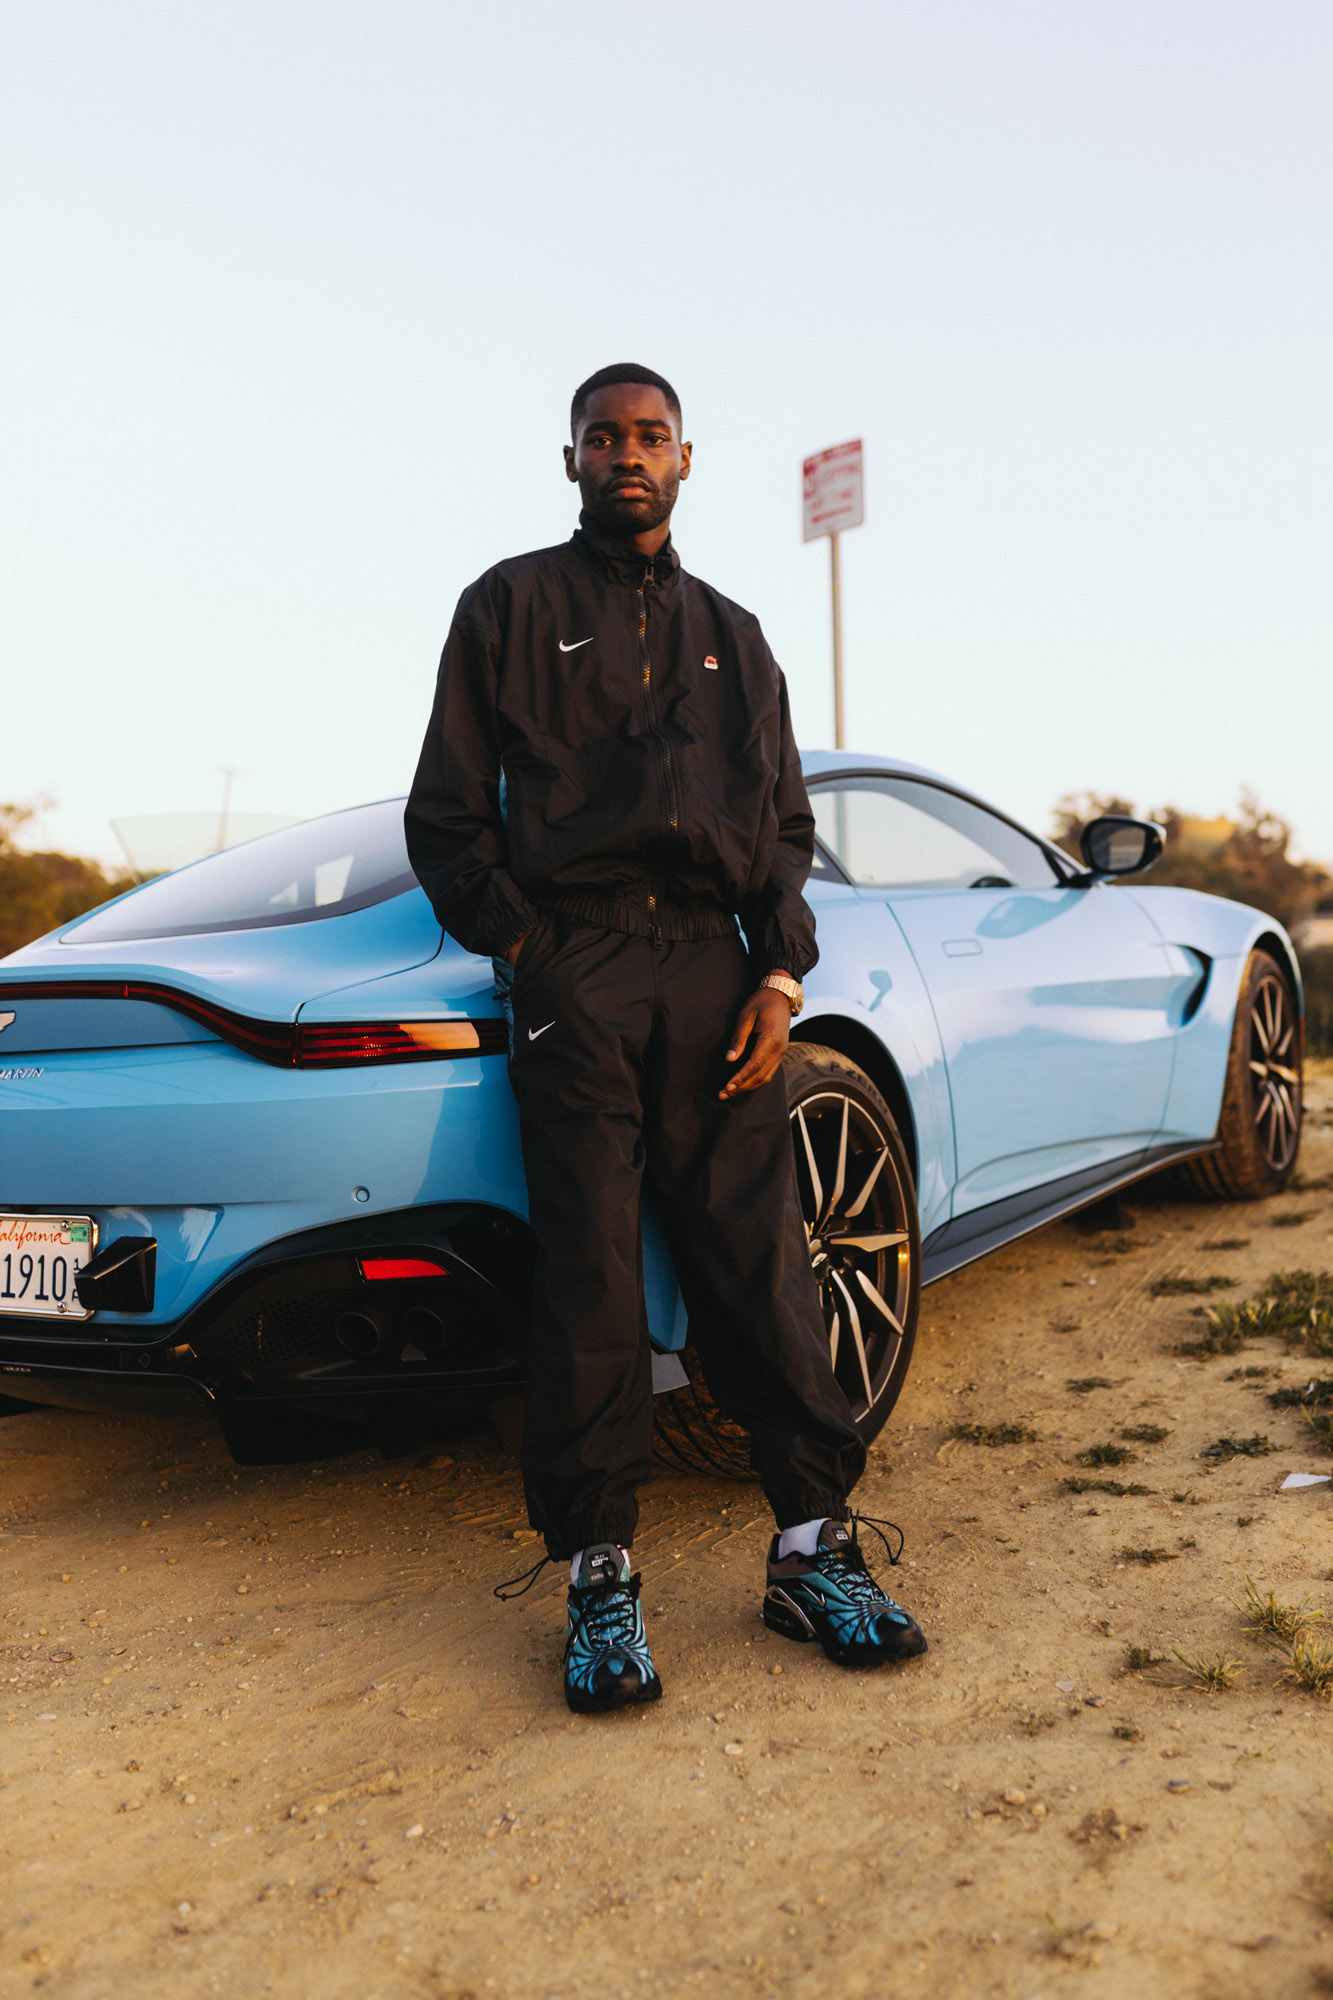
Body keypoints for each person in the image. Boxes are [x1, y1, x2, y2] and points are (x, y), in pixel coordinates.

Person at [405, 363, 926, 1713]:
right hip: (574, 966)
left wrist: (777, 978)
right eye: (603, 438)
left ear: (685, 460)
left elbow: (784, 831)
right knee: (587, 1270)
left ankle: (811, 1548)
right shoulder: (508, 606)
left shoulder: (735, 637)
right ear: (571, 459)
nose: (626, 455)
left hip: (715, 971)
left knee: (760, 1258)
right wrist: (529, 952)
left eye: (649, 437)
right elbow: (446, 817)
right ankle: (599, 1574)